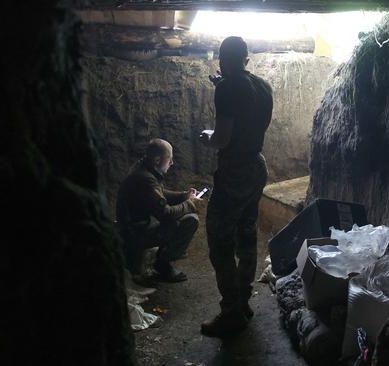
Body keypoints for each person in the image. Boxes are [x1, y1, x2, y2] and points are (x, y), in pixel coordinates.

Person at [199, 36, 273, 337]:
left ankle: (231, 313)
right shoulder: (262, 86)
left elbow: (223, 138)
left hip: (235, 171)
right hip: (256, 165)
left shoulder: (227, 88)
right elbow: (248, 112)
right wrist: (224, 86)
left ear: (221, 59)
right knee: (246, 235)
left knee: (219, 240)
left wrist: (208, 138)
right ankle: (243, 303)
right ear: (246, 58)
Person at [116, 138, 202, 284]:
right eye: (169, 159)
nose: (172, 163)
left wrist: (183, 195)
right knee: (191, 219)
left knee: (182, 214)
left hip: (131, 228)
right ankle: (162, 264)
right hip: (135, 233)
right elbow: (166, 215)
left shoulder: (143, 168)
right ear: (157, 160)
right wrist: (189, 203)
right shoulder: (146, 179)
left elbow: (159, 193)